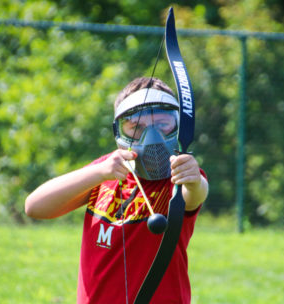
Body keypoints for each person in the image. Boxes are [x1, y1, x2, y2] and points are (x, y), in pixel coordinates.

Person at [25, 76, 209, 303]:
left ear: (178, 126)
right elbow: (34, 206)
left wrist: (192, 179)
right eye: (136, 127)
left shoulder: (178, 176)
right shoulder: (106, 170)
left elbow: (195, 194)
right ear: (119, 131)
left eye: (163, 124)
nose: (151, 136)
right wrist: (101, 172)